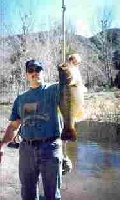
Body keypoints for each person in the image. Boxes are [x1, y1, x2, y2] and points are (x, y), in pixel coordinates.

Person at [0, 59, 63, 200]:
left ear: (43, 72)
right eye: (31, 70)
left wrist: (72, 65)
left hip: (50, 147)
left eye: (38, 69)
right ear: (26, 75)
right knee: (27, 194)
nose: (34, 73)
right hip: (26, 150)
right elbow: (14, 126)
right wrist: (2, 145)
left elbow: (72, 86)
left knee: (52, 195)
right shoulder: (21, 99)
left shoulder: (55, 90)